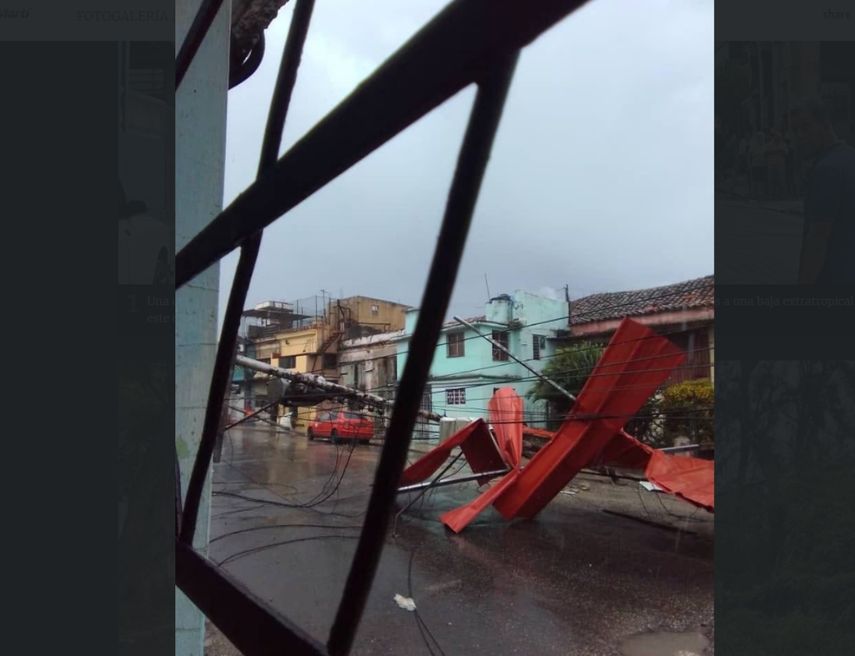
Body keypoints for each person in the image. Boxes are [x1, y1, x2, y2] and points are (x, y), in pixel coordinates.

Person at [791, 97, 855, 285]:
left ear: (825, 124)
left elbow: (818, 237)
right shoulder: (850, 157)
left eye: (806, 127)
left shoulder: (827, 170)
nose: (800, 136)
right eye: (795, 130)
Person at [765, 128, 788, 200]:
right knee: (771, 180)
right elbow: (766, 153)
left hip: (780, 165)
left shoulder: (783, 144)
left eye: (778, 137)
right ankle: (771, 195)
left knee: (781, 180)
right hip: (771, 164)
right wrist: (776, 151)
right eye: (776, 137)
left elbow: (786, 153)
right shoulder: (769, 144)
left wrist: (776, 151)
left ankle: (782, 195)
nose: (777, 138)